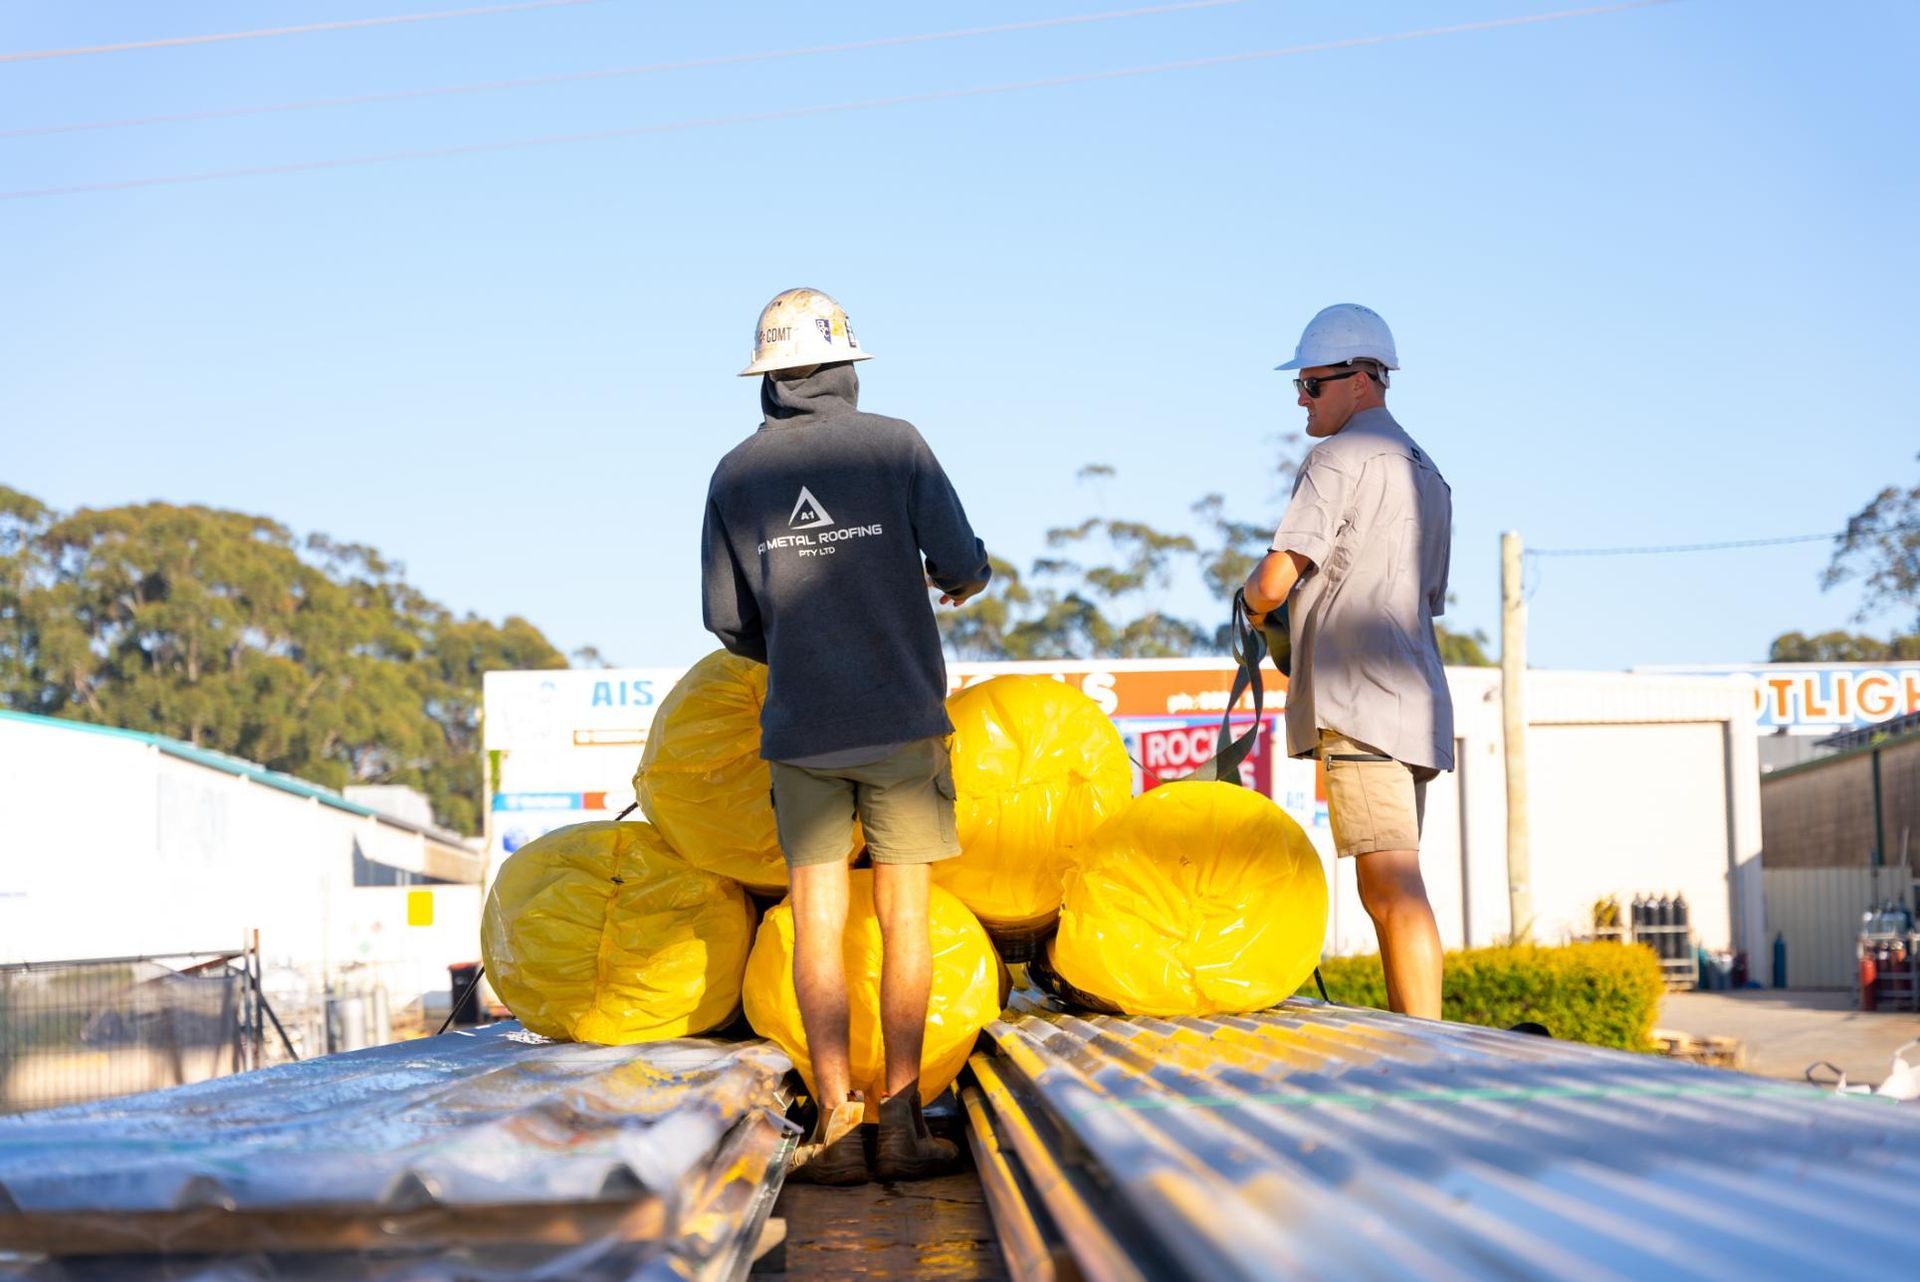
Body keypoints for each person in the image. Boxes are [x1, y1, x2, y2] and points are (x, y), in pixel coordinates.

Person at [701, 287, 991, 1184]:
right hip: (902, 722)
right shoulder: (895, 445)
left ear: (771, 377)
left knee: (817, 926)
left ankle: (833, 1124)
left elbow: (726, 619)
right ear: (844, 365)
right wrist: (957, 583)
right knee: (907, 921)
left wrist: (795, 643)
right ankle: (902, 1123)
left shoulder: (735, 474)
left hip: (803, 726)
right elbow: (962, 564)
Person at [1239, 303, 1452, 1018]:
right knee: (1391, 882)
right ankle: (1419, 1039)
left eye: (1312, 385)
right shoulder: (1429, 472)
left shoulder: (1337, 459)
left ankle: (1422, 1050)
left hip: (1359, 705)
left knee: (1391, 889)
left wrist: (1252, 601)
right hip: (1415, 703)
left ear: (1361, 381)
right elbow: (1420, 596)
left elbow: (1273, 581)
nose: (1301, 400)